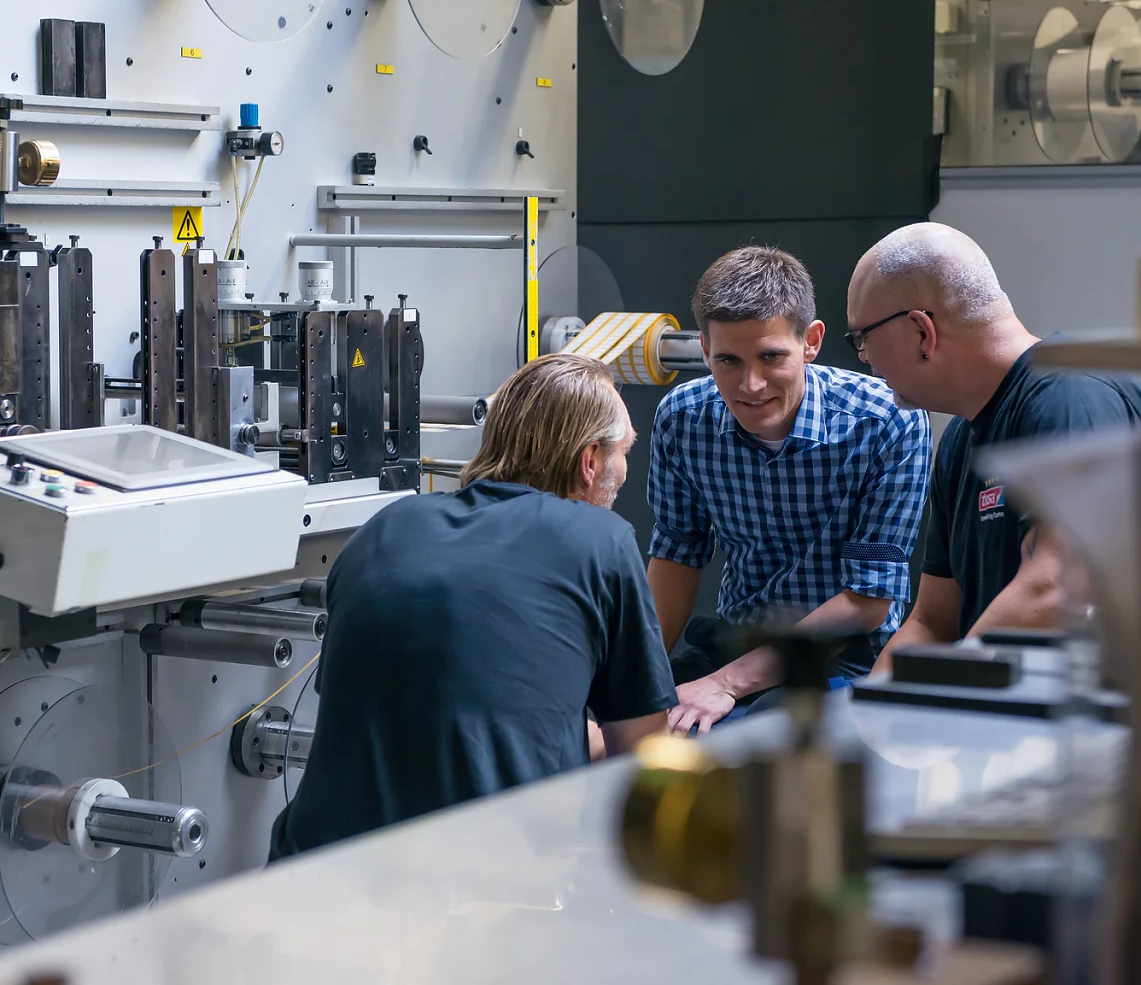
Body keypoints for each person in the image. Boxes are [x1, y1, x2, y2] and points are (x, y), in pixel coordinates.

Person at [268, 354, 676, 861]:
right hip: (488, 893)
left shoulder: (386, 528)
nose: (625, 470)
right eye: (625, 452)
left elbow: (415, 717)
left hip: (311, 874)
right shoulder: (602, 540)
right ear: (590, 460)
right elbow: (641, 756)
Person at [647, 246, 931, 735]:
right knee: (618, 736)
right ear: (704, 351)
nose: (750, 384)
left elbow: (869, 599)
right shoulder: (683, 419)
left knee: (744, 749)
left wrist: (727, 685)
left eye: (771, 357)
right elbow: (676, 556)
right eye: (728, 361)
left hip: (841, 658)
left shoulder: (889, 420)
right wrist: (638, 686)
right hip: (731, 642)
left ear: (811, 341)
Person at [846, 221, 1141, 670]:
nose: (865, 361)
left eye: (862, 339)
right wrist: (869, 718)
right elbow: (931, 622)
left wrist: (942, 697)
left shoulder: (1070, 396)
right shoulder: (960, 442)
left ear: (922, 332)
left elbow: (1057, 586)